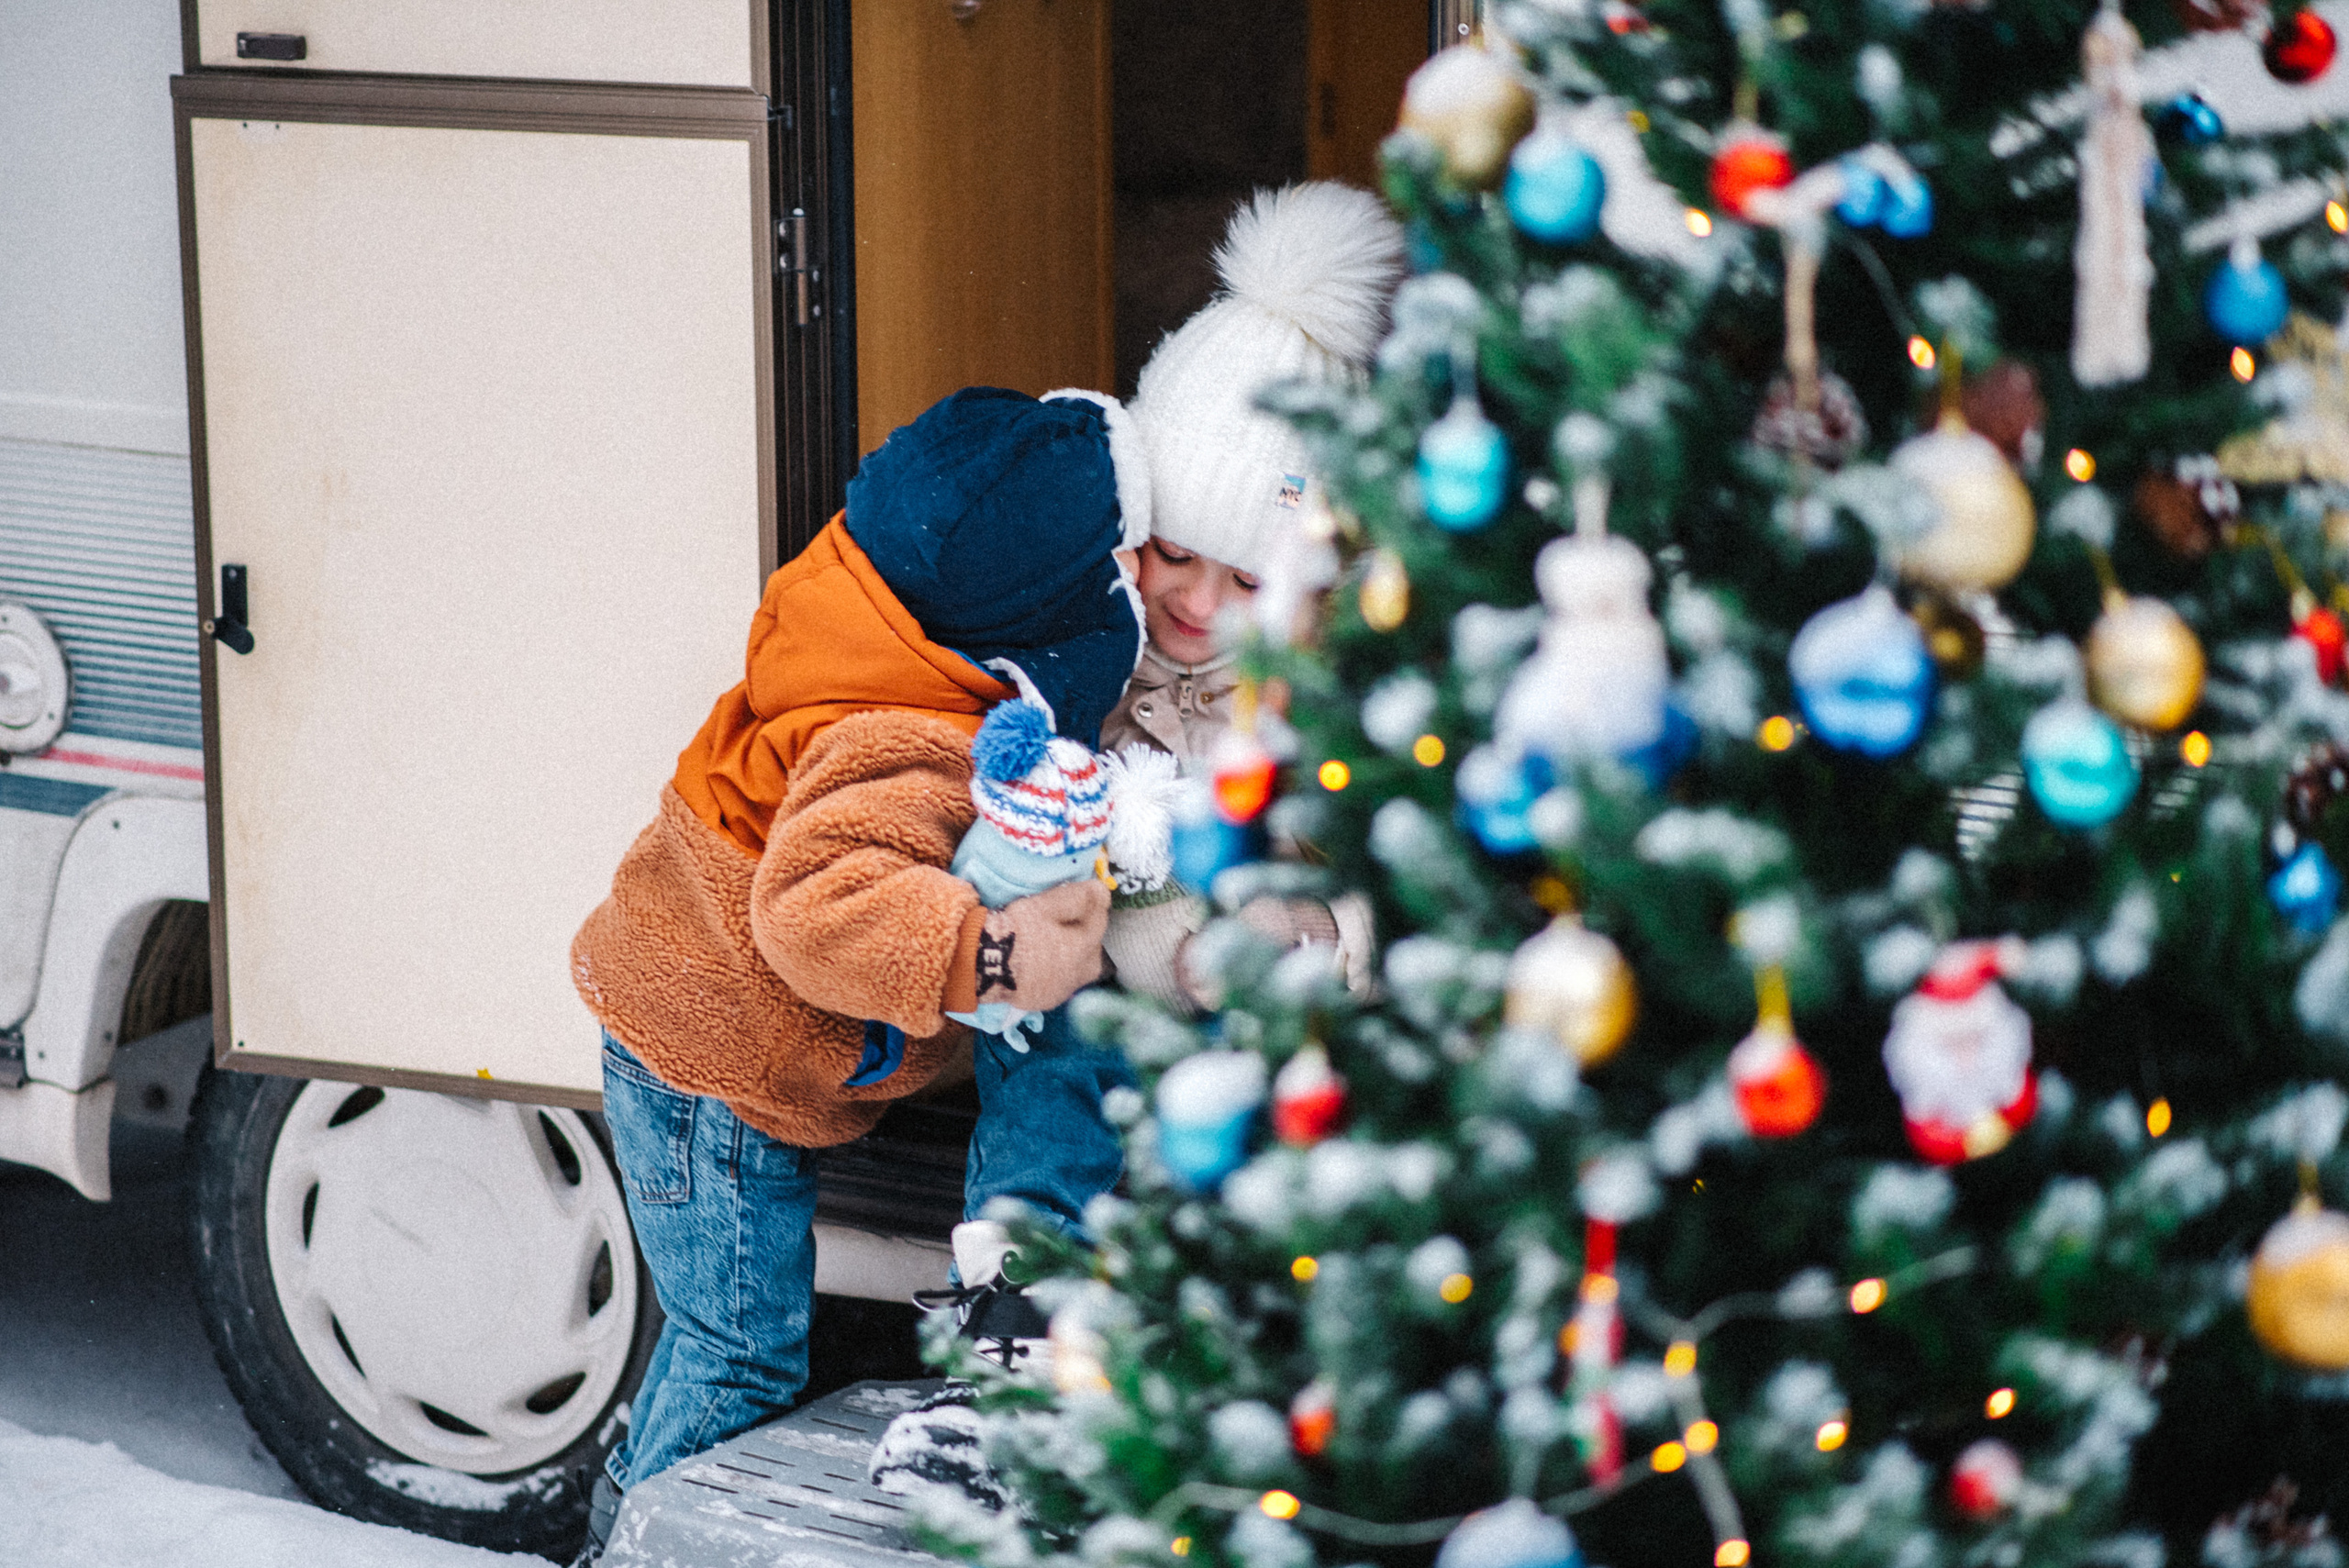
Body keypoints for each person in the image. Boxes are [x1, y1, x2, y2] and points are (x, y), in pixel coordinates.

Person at [565, 384, 1151, 1562]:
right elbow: (810, 912)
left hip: (681, 1018)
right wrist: (995, 955)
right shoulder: (907, 736)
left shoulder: (856, 610)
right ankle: (634, 1540)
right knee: (740, 1346)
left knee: (728, 1336)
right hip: (712, 1077)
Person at [1102, 180, 1407, 1005]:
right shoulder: (1089, 652)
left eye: (1249, 580)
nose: (1198, 604)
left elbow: (1419, 883)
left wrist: (1318, 932)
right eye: (1172, 552)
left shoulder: (1339, 694)